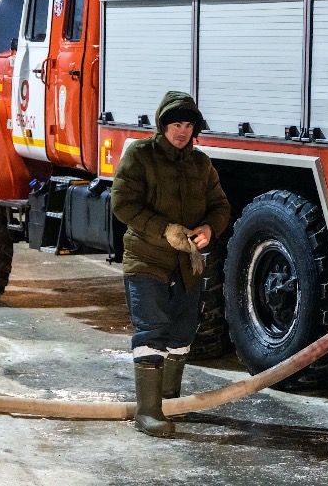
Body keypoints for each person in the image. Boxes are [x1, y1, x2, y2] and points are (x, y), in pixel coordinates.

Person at [111, 91, 230, 437]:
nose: (181, 131)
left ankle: (169, 404)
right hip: (146, 259)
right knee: (152, 330)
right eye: (176, 124)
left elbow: (220, 206)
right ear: (163, 124)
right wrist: (164, 230)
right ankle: (148, 413)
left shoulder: (201, 164)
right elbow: (122, 203)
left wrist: (210, 227)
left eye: (188, 124)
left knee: (181, 335)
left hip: (187, 265)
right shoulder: (140, 156)